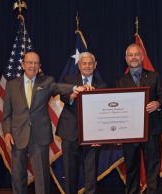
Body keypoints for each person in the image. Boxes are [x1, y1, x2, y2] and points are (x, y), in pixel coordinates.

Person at [2, 51, 88, 194]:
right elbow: (7, 114)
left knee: (42, 178)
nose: (33, 66)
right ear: (23, 65)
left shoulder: (46, 82)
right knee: (18, 177)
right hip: (17, 137)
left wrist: (75, 88)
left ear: (40, 66)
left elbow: (58, 87)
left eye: (36, 63)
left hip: (39, 138)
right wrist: (7, 133)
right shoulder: (11, 85)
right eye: (30, 62)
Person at [116, 44, 162, 194]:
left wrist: (158, 103)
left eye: (136, 54)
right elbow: (118, 109)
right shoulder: (120, 81)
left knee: (153, 168)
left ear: (142, 57)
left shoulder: (154, 76)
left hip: (151, 130)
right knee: (131, 168)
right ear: (126, 59)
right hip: (129, 133)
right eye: (130, 55)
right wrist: (118, 133)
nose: (134, 57)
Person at [56, 52, 106, 194]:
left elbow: (103, 111)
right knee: (70, 173)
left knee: (91, 175)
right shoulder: (69, 79)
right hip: (70, 132)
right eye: (84, 63)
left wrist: (100, 136)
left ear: (95, 66)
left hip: (92, 136)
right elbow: (64, 98)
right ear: (79, 65)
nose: (87, 66)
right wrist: (75, 93)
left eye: (90, 63)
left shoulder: (101, 85)